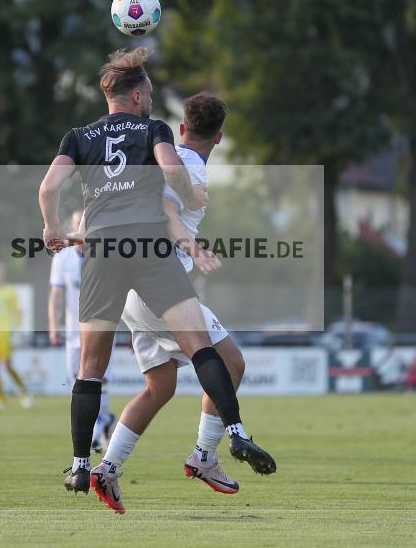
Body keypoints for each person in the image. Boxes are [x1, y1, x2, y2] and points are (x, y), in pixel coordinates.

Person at [38, 47, 274, 504]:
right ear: (141, 94)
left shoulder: (78, 136)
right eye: (148, 94)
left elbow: (48, 187)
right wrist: (193, 195)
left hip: (105, 251)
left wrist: (52, 228)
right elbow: (171, 175)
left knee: (98, 371)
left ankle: (85, 467)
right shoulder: (153, 129)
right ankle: (230, 435)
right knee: (207, 349)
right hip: (150, 251)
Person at [95, 92, 274, 513]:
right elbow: (165, 207)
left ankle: (108, 468)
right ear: (220, 137)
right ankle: (206, 455)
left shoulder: (162, 154)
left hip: (131, 286)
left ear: (182, 128)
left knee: (159, 387)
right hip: (160, 286)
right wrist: (192, 247)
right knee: (231, 363)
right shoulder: (189, 167)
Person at [49, 209, 115, 452]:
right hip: (73, 333)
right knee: (77, 383)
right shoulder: (62, 258)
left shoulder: (105, 253)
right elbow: (56, 295)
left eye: (85, 225)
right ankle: (103, 423)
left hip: (102, 329)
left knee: (100, 379)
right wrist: (53, 326)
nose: (81, 230)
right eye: (77, 224)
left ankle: (97, 432)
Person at [0, 262, 32, 409]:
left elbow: (17, 312)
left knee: (7, 366)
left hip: (5, 334)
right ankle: (0, 398)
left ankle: (24, 392)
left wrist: (18, 333)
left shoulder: (9, 291)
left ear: (3, 273)